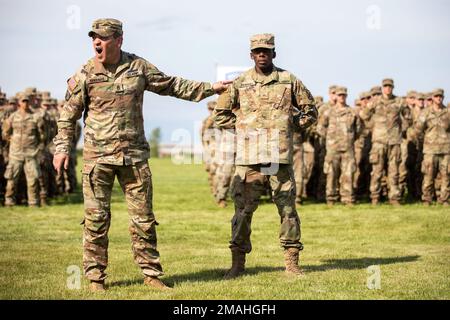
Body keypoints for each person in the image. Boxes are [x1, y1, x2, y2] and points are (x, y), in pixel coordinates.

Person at [52, 18, 230, 292]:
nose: (97, 42)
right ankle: (96, 278)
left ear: (119, 40)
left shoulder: (138, 67)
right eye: (94, 38)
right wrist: (62, 148)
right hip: (97, 159)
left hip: (134, 158)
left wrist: (211, 88)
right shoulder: (85, 72)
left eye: (103, 37)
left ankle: (151, 274)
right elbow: (67, 116)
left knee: (143, 219)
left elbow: (171, 85)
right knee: (96, 220)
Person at [213, 33, 317, 279]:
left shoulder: (288, 80)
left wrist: (290, 123)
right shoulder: (240, 82)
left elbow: (310, 111)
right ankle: (237, 264)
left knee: (288, 210)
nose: (262, 54)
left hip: (278, 158)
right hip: (249, 160)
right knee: (242, 213)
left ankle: (292, 264)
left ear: (274, 54)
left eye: (266, 50)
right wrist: (241, 128)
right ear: (251, 55)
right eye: (258, 51)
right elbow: (220, 114)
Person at [360, 79, 412, 205]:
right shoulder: (375, 102)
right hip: (379, 141)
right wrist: (373, 127)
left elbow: (409, 117)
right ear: (382, 88)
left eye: (390, 86)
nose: (387, 89)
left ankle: (394, 198)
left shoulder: (399, 101)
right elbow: (363, 115)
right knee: (377, 171)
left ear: (393, 88)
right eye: (385, 86)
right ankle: (375, 197)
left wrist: (401, 129)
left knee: (394, 172)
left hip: (395, 142)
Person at [317, 87, 361, 206]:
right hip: (333, 148)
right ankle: (331, 198)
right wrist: (330, 139)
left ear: (346, 96)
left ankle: (348, 198)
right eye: (339, 95)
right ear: (336, 96)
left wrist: (349, 139)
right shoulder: (328, 112)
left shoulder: (352, 112)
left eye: (343, 95)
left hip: (347, 148)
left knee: (348, 174)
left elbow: (358, 130)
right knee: (331, 174)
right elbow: (320, 128)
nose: (341, 97)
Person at [2, 93, 45, 207]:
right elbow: (5, 133)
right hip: (16, 154)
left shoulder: (36, 117)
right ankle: (9, 201)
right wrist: (13, 141)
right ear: (19, 103)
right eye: (23, 101)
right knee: (12, 179)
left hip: (31, 154)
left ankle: (33, 203)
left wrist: (39, 150)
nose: (25, 103)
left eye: (27, 101)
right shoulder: (12, 117)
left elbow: (42, 136)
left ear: (29, 102)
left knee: (33, 181)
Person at [409, 89, 449, 206]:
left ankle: (445, 199)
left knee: (446, 176)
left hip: (446, 150)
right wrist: (426, 141)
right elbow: (418, 130)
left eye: (440, 96)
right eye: (436, 96)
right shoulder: (426, 113)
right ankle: (427, 198)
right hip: (430, 150)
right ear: (432, 98)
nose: (438, 98)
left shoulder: (448, 112)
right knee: (428, 176)